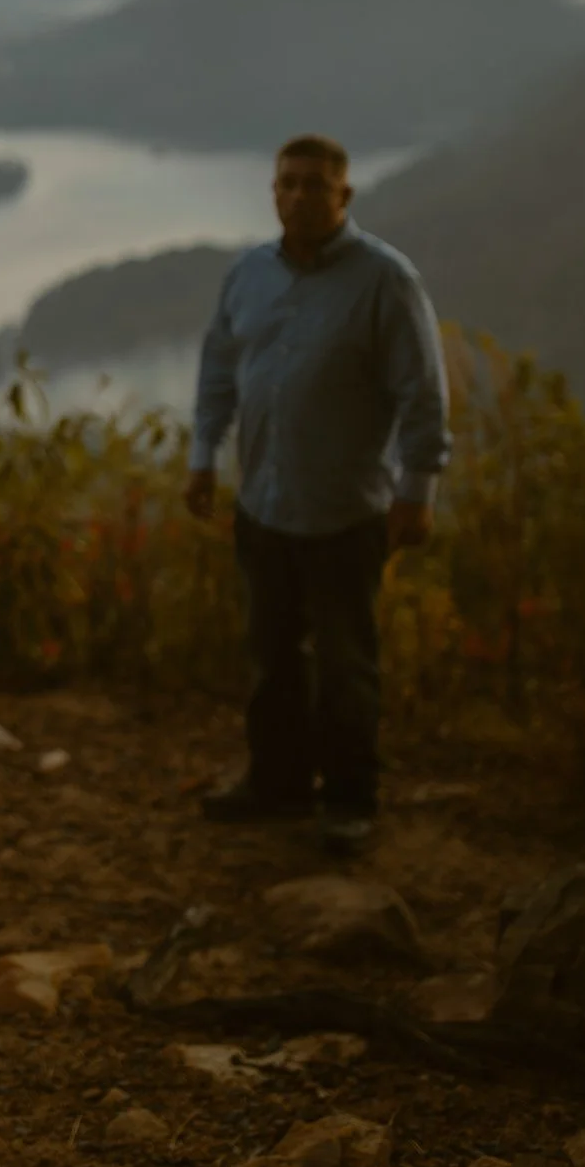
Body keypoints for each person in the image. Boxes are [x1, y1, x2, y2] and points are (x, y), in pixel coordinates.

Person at [185, 134, 450, 856]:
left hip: (345, 510)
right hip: (263, 504)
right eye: (287, 183)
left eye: (314, 184)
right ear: (273, 190)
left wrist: (419, 488)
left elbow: (422, 393)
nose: (298, 195)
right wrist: (203, 454)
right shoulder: (248, 275)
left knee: (344, 664)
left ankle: (349, 800)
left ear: (345, 195)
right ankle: (278, 785)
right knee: (272, 657)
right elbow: (218, 369)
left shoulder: (385, 281)